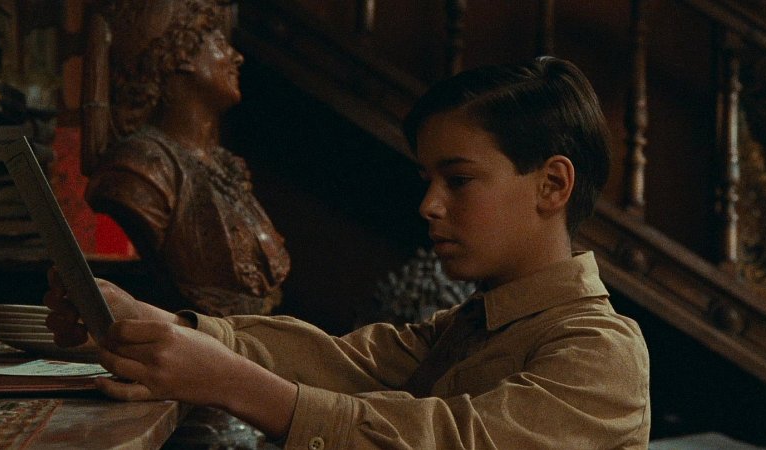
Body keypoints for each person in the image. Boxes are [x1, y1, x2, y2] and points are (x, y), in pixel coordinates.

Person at [47, 56, 651, 448]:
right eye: (428, 182)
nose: (429, 205)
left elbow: (450, 441)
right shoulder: (468, 326)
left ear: (552, 185)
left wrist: (233, 384)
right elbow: (338, 360)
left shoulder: (601, 352)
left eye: (459, 179)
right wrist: (157, 325)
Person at [82, 0, 290, 316]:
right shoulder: (142, 168)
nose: (236, 56)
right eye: (219, 43)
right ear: (182, 56)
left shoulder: (223, 166)